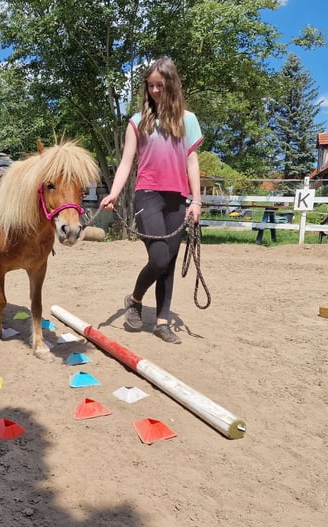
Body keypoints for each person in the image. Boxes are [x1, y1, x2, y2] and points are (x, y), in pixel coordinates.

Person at [99, 57, 203, 344]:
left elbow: (192, 161)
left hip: (177, 198)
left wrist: (196, 201)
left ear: (171, 84)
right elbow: (125, 163)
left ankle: (161, 322)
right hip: (148, 195)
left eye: (160, 85)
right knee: (158, 258)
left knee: (169, 263)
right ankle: (134, 299)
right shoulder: (137, 122)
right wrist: (114, 192)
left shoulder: (188, 120)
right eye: (150, 86)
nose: (155, 91)